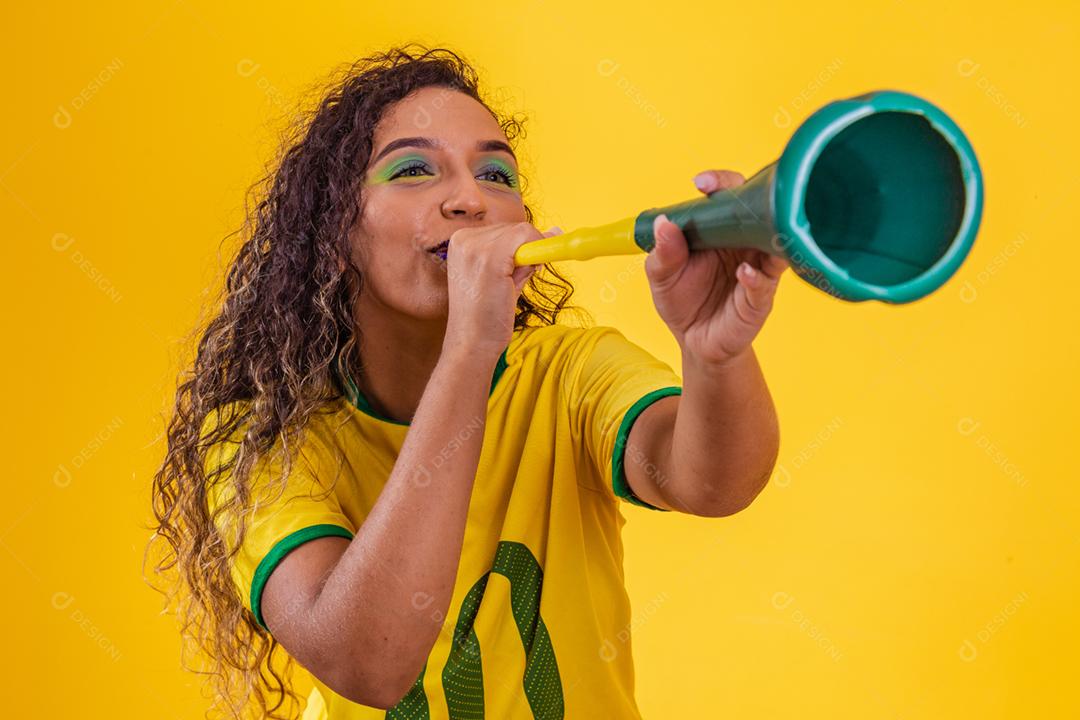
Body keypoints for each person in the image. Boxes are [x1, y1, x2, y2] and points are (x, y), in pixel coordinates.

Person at [147, 44, 788, 720]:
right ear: (333, 234)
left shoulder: (569, 373)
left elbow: (715, 484)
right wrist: (471, 348)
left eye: (496, 173)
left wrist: (713, 355)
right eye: (415, 169)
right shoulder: (263, 442)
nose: (470, 199)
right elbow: (368, 661)